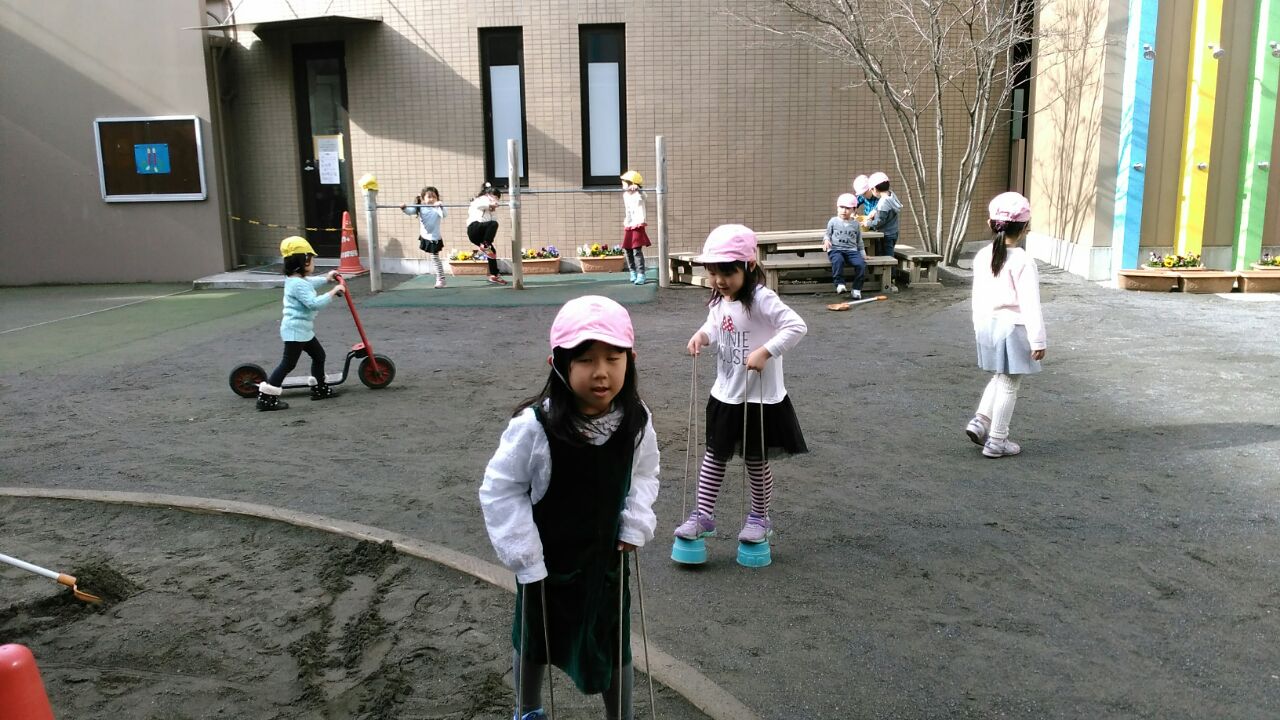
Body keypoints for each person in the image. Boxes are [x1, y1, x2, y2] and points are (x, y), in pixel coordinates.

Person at [480, 295, 660, 720]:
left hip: (606, 562)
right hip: (547, 566)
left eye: (613, 358)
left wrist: (635, 521)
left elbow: (645, 472)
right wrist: (525, 554)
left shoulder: (635, 419)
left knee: (614, 640)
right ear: (558, 364)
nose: (601, 372)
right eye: (585, 360)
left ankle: (621, 715)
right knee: (535, 636)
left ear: (630, 360)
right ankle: (528, 707)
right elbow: (500, 489)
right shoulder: (535, 427)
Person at [675, 224, 808, 548]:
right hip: (726, 393)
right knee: (714, 455)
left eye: (728, 272)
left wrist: (766, 351)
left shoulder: (762, 298)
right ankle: (703, 515)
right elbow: (714, 325)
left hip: (759, 398)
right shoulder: (720, 300)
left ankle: (759, 518)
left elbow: (796, 326)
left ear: (748, 265)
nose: (720, 280)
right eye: (713, 273)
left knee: (755, 460)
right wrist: (702, 336)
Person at [966, 191, 1046, 458]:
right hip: (1013, 327)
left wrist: (978, 327)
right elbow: (1030, 303)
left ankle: (980, 421)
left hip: (987, 325)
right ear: (1025, 227)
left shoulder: (982, 256)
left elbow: (977, 296)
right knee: (1010, 383)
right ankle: (997, 440)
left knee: (1000, 376)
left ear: (991, 224)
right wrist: (1038, 340)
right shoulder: (1023, 261)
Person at [256, 236, 345, 411]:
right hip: (296, 331)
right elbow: (313, 303)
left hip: (302, 330)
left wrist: (327, 280)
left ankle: (320, 387)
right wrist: (333, 292)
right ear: (304, 261)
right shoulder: (297, 284)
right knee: (288, 364)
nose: (313, 263)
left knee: (319, 355)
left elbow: (309, 283)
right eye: (312, 259)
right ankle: (266, 397)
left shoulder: (294, 280)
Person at [861, 171, 904, 289]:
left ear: (874, 189)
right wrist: (874, 211)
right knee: (888, 253)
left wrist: (867, 223)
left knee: (886, 256)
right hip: (893, 231)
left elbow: (879, 222)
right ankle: (885, 278)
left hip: (886, 234)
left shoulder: (883, 203)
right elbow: (881, 210)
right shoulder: (891, 194)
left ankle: (889, 280)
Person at [401, 186, 448, 288]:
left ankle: (441, 279)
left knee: (435, 258)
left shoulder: (438, 207)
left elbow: (444, 214)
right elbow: (410, 211)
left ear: (437, 198)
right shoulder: (420, 207)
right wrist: (404, 208)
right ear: (423, 199)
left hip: (434, 238)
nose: (432, 199)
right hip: (425, 236)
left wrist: (440, 206)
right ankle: (441, 278)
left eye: (434, 197)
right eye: (429, 197)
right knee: (434, 258)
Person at [823, 193, 867, 298]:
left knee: (861, 265)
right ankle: (839, 283)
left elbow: (859, 240)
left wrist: (863, 254)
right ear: (837, 208)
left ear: (854, 210)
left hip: (852, 250)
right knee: (838, 260)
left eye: (848, 208)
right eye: (841, 207)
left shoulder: (856, 224)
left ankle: (856, 289)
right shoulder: (833, 221)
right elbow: (827, 234)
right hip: (835, 249)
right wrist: (826, 241)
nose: (844, 210)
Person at [467, 182, 507, 285]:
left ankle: (494, 275)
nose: (496, 200)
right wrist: (489, 205)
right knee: (493, 224)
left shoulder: (491, 210)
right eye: (494, 197)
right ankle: (485, 245)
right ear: (488, 195)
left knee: (491, 251)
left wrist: (491, 209)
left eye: (497, 198)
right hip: (474, 228)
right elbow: (479, 205)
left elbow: (493, 220)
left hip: (481, 235)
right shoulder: (480, 199)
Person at [619, 170, 651, 286]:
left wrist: (638, 189)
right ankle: (632, 272)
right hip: (629, 225)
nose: (622, 185)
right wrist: (626, 223)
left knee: (637, 250)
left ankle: (641, 274)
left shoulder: (639, 194)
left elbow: (644, 196)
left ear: (631, 182)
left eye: (624, 182)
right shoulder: (625, 195)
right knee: (628, 249)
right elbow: (628, 210)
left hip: (638, 224)